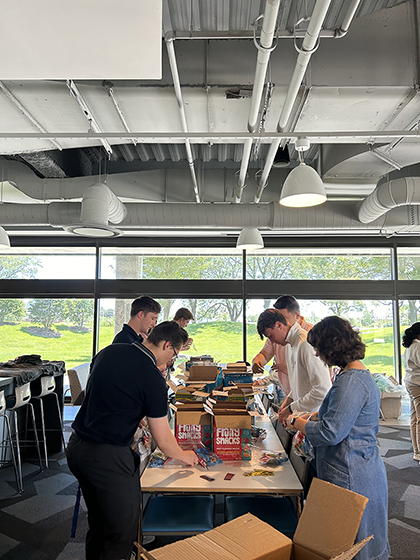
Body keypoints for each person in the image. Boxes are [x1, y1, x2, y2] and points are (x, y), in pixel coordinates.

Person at [66, 321, 198, 560]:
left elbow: (103, 392)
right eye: (174, 354)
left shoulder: (109, 351)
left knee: (99, 524)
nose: (171, 360)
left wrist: (132, 413)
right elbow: (164, 440)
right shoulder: (152, 376)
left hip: (77, 447)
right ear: (167, 345)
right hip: (108, 458)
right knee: (120, 533)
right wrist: (185, 455)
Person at [285, 316, 390, 560]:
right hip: (357, 464)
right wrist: (315, 415)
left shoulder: (350, 382)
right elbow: (342, 417)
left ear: (332, 347)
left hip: (350, 470)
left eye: (319, 348)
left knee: (353, 541)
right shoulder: (354, 376)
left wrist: (296, 422)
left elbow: (330, 432)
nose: (318, 354)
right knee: (356, 538)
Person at [256, 308, 330, 423]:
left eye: (270, 336)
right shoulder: (290, 344)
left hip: (313, 420)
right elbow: (299, 382)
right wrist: (287, 403)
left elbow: (322, 391)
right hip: (300, 418)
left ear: (279, 325)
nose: (272, 341)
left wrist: (291, 408)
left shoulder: (305, 343)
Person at [252, 295, 312, 395]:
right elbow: (264, 355)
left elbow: (318, 384)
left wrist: (289, 369)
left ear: (297, 315)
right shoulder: (283, 337)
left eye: (284, 318)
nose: (280, 322)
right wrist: (257, 361)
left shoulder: (310, 336)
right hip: (291, 395)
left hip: (308, 401)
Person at [402, 322, 420, 463]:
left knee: (414, 418)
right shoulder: (418, 346)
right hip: (417, 384)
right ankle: (419, 453)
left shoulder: (409, 346)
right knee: (419, 419)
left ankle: (416, 451)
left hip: (410, 382)